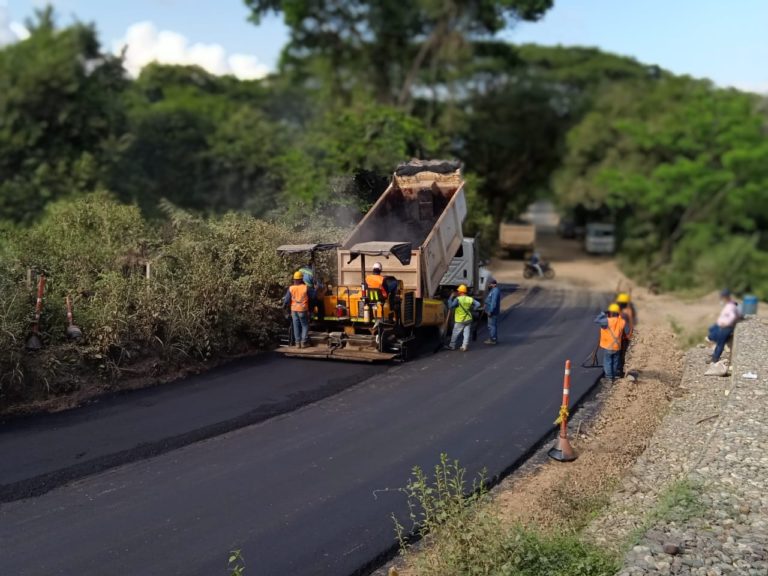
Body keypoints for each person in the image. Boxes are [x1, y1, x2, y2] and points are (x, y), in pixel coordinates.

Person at [595, 303, 630, 381]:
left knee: (608, 361)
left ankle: (609, 377)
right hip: (617, 346)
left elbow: (597, 320)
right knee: (615, 361)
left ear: (610, 312)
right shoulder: (621, 321)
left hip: (608, 346)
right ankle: (614, 375)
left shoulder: (607, 321)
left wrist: (603, 313)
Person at [708, 289, 740, 363]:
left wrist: (726, 324)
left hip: (726, 328)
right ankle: (714, 356)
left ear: (726, 297)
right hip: (722, 326)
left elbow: (733, 316)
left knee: (720, 343)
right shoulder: (729, 305)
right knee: (712, 333)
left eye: (722, 297)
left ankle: (715, 359)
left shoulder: (731, 306)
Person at [447, 284, 481, 351]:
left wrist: (450, 298)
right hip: (468, 318)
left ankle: (452, 346)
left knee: (455, 333)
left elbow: (450, 306)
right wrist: (474, 308)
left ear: (461, 292)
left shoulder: (458, 299)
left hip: (460, 319)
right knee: (466, 332)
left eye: (459, 291)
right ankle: (464, 346)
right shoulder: (469, 298)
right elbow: (478, 304)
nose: (458, 292)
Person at [283, 271, 311, 348]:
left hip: (294, 309)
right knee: (305, 325)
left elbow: (286, 300)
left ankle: (297, 343)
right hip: (302, 309)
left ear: (294, 279)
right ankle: (303, 342)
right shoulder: (306, 288)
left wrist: (284, 307)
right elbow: (312, 297)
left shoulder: (291, 288)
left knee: (296, 326)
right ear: (302, 279)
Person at [616, 293, 635, 375]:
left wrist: (629, 333)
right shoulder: (619, 310)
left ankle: (618, 370)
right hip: (618, 334)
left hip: (622, 335)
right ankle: (617, 369)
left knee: (620, 352)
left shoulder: (627, 311)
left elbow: (631, 324)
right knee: (618, 352)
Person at [483, 278, 501, 345]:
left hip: (492, 312)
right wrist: (485, 304)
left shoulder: (495, 291)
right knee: (491, 325)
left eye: (490, 284)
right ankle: (493, 338)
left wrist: (490, 311)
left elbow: (494, 302)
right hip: (490, 310)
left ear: (494, 284)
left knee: (492, 326)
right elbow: (489, 300)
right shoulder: (493, 290)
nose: (489, 285)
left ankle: (493, 339)